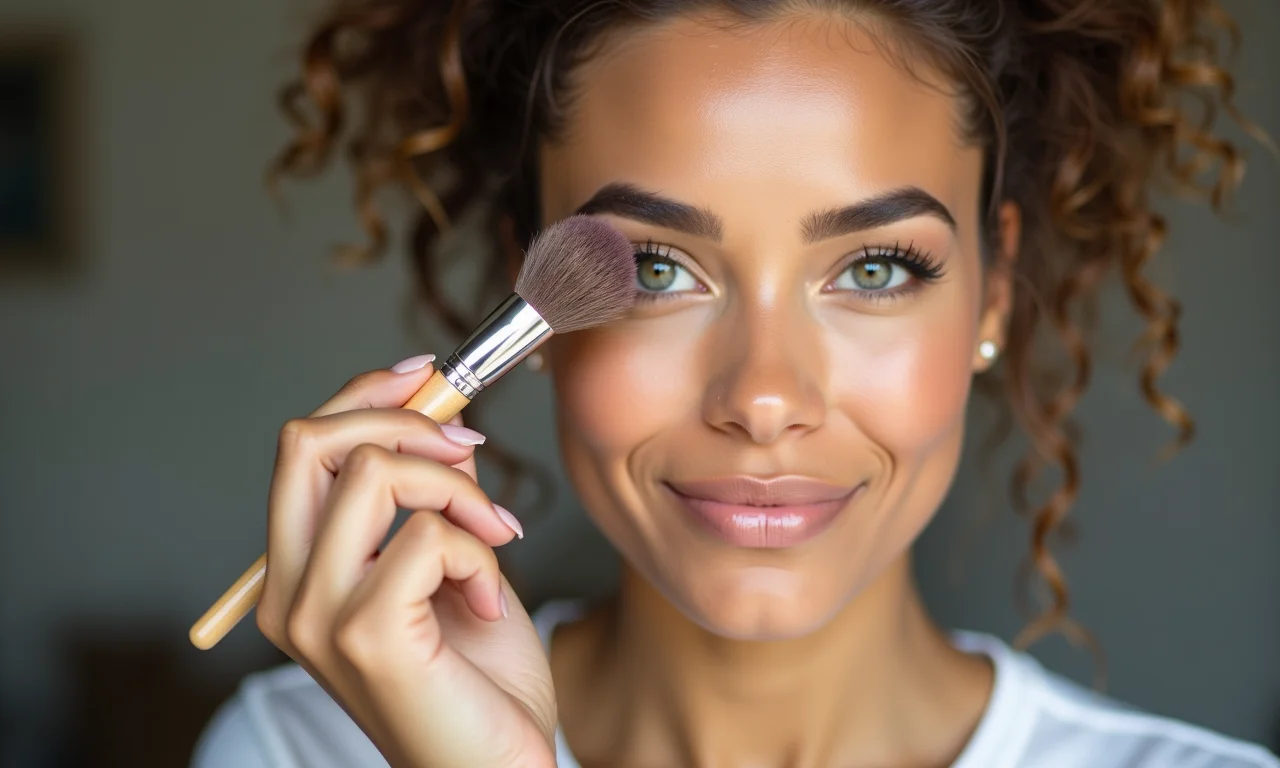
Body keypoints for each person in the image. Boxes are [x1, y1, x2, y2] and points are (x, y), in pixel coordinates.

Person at [192, 1, 1278, 766]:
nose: (762, 398)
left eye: (872, 268)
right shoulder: (299, 752)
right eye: (657, 270)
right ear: (539, 302)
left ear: (991, 295)